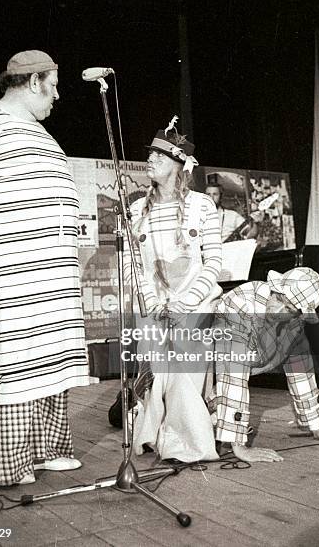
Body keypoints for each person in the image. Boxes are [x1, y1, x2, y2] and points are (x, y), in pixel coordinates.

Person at [0, 50, 89, 486]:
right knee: (16, 362)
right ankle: (13, 464)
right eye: (55, 84)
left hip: (53, 278)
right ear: (33, 81)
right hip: (13, 274)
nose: (58, 95)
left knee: (52, 361)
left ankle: (49, 450)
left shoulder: (43, 135)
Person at [123, 119, 223, 463]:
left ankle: (187, 442)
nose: (150, 160)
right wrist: (152, 303)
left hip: (193, 304)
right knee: (158, 372)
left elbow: (213, 263)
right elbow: (134, 267)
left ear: (180, 166)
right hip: (155, 307)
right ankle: (153, 434)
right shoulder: (136, 211)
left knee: (184, 375)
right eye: (150, 154)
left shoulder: (202, 206)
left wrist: (185, 303)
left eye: (160, 156)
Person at [207, 267, 319, 463]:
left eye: (290, 309)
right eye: (279, 299)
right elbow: (232, 373)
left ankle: (214, 415)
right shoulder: (240, 304)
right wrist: (239, 447)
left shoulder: (294, 322)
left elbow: (301, 371)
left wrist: (315, 425)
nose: (277, 311)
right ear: (274, 288)